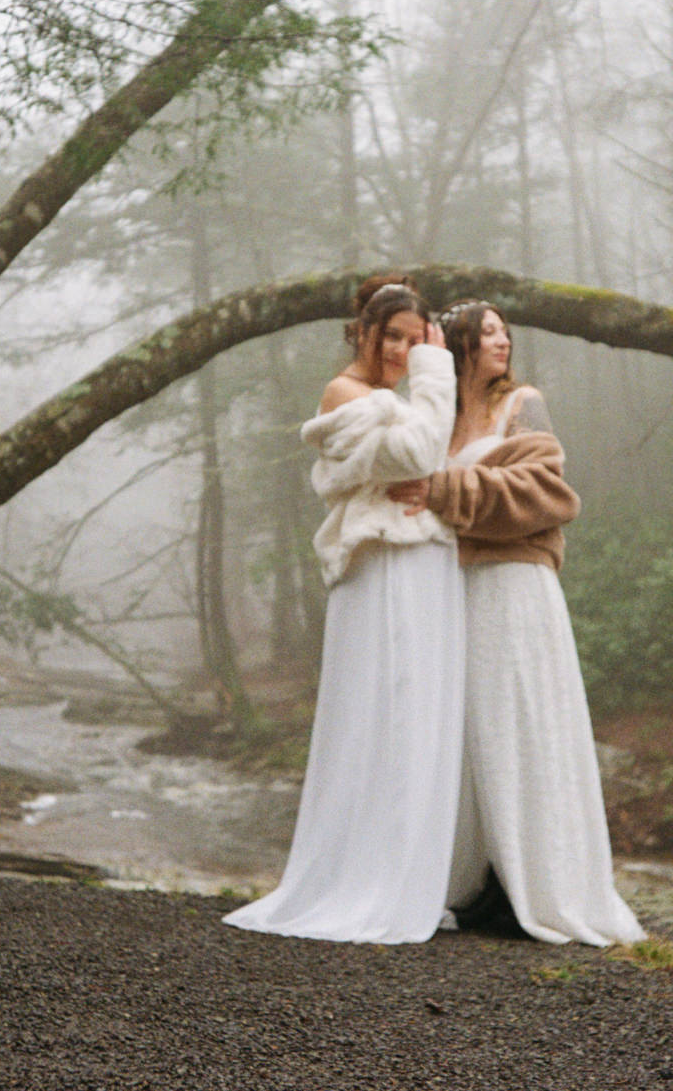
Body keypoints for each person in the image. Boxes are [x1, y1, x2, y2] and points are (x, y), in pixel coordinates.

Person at [391, 301, 644, 946]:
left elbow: (549, 494)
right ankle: (478, 881)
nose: (502, 340)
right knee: (468, 732)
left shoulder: (523, 403)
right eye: (489, 331)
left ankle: (532, 885)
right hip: (457, 591)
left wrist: (446, 491)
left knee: (521, 725)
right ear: (460, 345)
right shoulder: (442, 423)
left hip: (514, 585)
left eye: (505, 331)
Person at [223, 275, 466, 944]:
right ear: (363, 332)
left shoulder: (396, 398)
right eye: (393, 337)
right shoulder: (345, 393)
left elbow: (424, 457)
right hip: (381, 563)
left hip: (421, 559)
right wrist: (436, 367)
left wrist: (420, 434)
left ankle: (407, 877)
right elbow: (419, 450)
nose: (403, 350)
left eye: (416, 340)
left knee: (418, 714)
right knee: (383, 708)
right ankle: (366, 882)